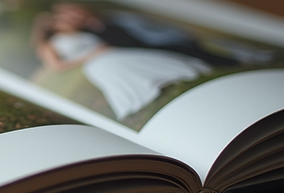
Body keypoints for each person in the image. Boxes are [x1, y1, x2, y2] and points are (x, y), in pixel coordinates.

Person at [32, 12, 211, 120]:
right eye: (60, 21)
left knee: (138, 59)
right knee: (115, 68)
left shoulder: (81, 31)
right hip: (95, 61)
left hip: (111, 52)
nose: (66, 22)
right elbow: (57, 66)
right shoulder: (49, 45)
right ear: (53, 26)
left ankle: (167, 77)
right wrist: (92, 54)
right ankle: (142, 93)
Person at [50, 2, 241, 67]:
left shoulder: (115, 17)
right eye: (70, 17)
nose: (76, 17)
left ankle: (230, 61)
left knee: (186, 48)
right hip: (137, 51)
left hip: (153, 42)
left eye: (75, 12)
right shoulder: (87, 33)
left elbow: (148, 30)